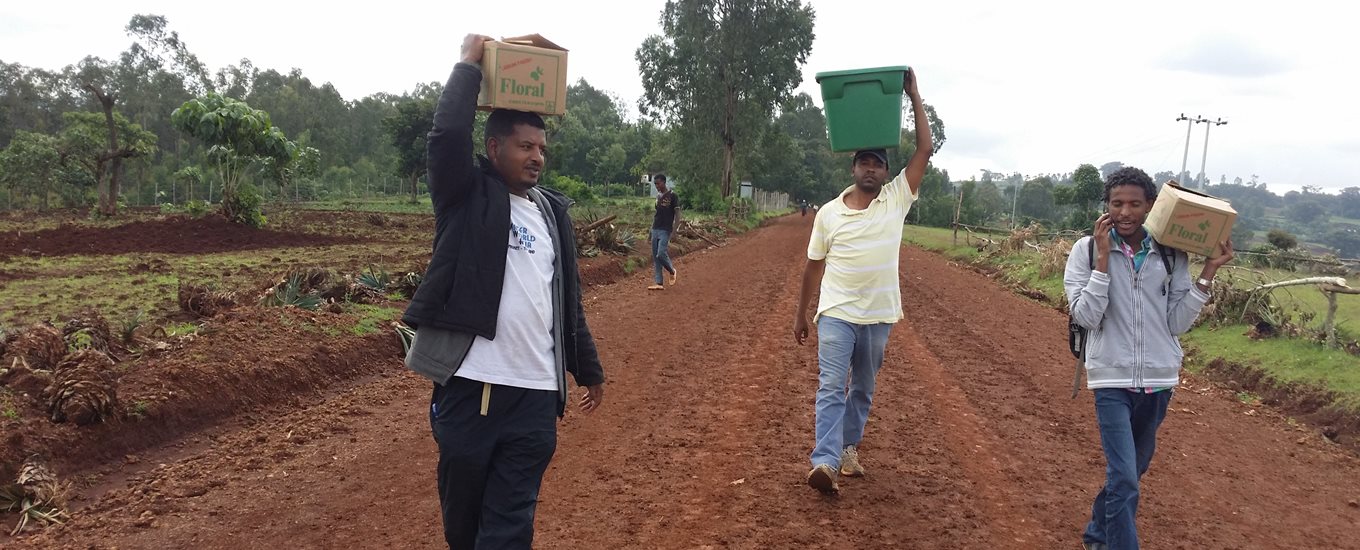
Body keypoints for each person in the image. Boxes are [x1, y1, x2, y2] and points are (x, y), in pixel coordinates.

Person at [400, 33, 606, 549]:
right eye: (525, 146)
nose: (537, 157)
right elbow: (446, 136)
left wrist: (588, 367)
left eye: (542, 148)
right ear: (494, 149)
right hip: (472, 388)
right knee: (464, 524)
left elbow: (566, 302)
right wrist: (468, 66)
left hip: (536, 396)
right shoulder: (465, 196)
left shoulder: (553, 213)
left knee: (510, 525)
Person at [1064, 166, 1233, 550]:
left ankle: (1096, 533)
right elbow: (1086, 316)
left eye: (1134, 204)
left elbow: (1176, 323)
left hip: (1159, 380)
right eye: (1116, 203)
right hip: (1111, 380)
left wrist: (1209, 271)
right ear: (1105, 206)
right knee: (1124, 476)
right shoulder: (1086, 251)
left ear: (1151, 206)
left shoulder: (1170, 254)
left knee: (1131, 473)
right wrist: (1103, 262)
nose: (1125, 212)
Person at [792, 69, 932, 494]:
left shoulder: (896, 198)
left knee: (863, 389)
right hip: (835, 313)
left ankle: (848, 447)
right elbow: (813, 267)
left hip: (878, 317)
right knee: (832, 385)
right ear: (853, 167)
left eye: (878, 164)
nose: (870, 169)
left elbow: (925, 147)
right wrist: (801, 313)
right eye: (864, 162)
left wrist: (913, 95)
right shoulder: (828, 214)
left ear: (885, 172)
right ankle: (825, 461)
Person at [647, 173, 680, 290]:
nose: (656, 186)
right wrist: (650, 232)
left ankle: (672, 270)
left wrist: (675, 231)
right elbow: (656, 215)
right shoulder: (658, 197)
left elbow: (677, 215)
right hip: (655, 228)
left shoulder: (673, 196)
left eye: (658, 183)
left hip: (666, 229)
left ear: (664, 182)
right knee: (656, 258)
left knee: (661, 253)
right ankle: (659, 282)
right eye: (655, 184)